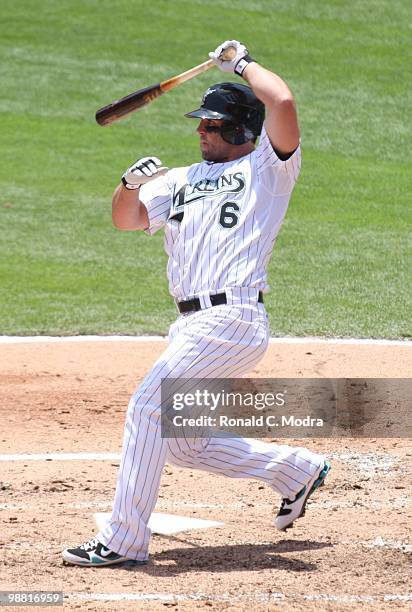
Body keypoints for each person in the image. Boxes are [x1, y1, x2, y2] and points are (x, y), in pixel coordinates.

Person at [62, 40, 330, 567]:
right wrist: (127, 185)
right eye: (201, 124)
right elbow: (128, 220)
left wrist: (242, 63)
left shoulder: (266, 172)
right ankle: (295, 470)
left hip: (231, 318)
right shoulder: (180, 179)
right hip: (189, 327)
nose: (201, 132)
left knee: (147, 407)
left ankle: (123, 541)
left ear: (241, 130)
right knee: (182, 442)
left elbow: (283, 104)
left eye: (212, 124)